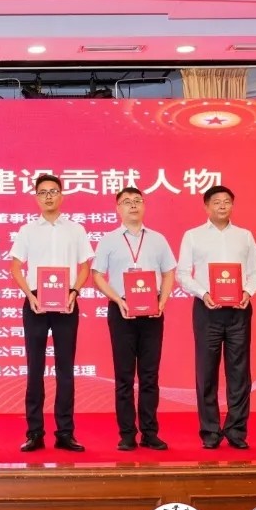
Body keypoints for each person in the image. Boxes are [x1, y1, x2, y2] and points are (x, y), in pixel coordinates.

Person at [10, 174, 94, 452]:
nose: (48, 196)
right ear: (36, 197)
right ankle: (34, 432)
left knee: (65, 370)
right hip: (35, 303)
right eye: (43, 192)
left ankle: (65, 433)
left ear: (61, 195)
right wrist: (29, 295)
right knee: (35, 369)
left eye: (53, 191)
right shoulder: (27, 230)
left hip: (66, 302)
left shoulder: (76, 229)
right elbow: (15, 267)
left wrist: (74, 292)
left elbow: (85, 266)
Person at [176, 185, 256, 449]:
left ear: (232, 205)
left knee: (239, 373)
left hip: (239, 311)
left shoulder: (244, 236)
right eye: (216, 202)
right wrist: (203, 293)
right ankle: (210, 431)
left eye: (227, 201)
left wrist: (248, 291)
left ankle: (236, 431)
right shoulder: (193, 236)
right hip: (207, 310)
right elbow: (182, 273)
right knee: (206, 372)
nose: (222, 205)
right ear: (206, 206)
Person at [91, 187, 176, 451]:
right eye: (126, 202)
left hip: (152, 312)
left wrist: (162, 301)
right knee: (124, 376)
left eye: (137, 200)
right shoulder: (109, 240)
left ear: (144, 205)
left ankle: (150, 432)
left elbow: (169, 272)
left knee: (150, 376)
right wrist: (118, 300)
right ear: (118, 208)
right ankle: (127, 433)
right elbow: (96, 275)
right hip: (122, 311)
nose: (133, 205)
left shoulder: (158, 239)